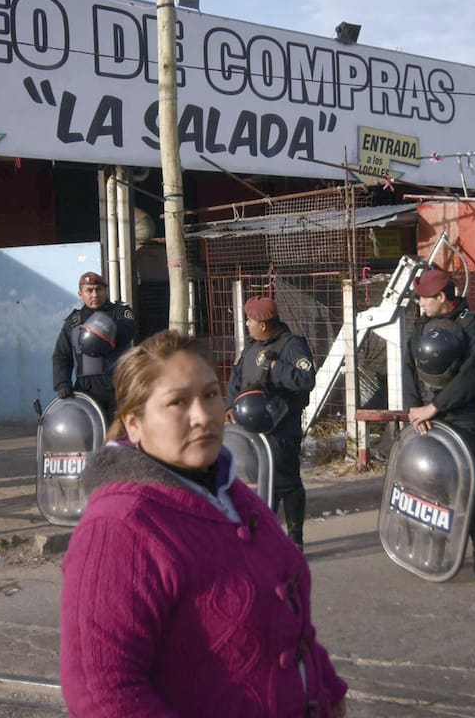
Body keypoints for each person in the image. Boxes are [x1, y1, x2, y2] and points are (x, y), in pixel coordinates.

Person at [59, 330, 347, 717]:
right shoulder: (120, 526)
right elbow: (101, 693)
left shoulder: (230, 491)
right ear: (134, 423)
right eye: (178, 402)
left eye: (210, 395)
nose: (203, 416)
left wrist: (329, 691)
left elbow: (290, 622)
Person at [402, 267, 475, 583]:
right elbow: (409, 365)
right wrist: (414, 409)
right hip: (426, 417)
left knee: (469, 487)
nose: (420, 304)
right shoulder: (423, 324)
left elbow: (471, 378)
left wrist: (434, 407)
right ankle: (438, 550)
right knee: (432, 486)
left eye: (424, 299)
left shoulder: (474, 327)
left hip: (463, 418)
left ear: (442, 297)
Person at [225, 296, 316, 550]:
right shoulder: (252, 346)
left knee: (285, 481)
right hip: (250, 427)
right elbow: (236, 377)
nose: (247, 324)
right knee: (260, 478)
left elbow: (305, 379)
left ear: (263, 324)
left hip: (281, 426)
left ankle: (294, 538)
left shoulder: (292, 346)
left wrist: (275, 366)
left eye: (250, 320)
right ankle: (264, 534)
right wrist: (229, 406)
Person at [52, 271, 137, 423]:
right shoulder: (73, 322)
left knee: (120, 432)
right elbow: (61, 356)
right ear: (80, 294)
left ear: (106, 291)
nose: (95, 295)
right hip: (87, 389)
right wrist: (62, 383)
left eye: (99, 289)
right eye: (89, 290)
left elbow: (129, 331)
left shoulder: (121, 313)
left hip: (118, 386)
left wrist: (102, 327)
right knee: (89, 432)